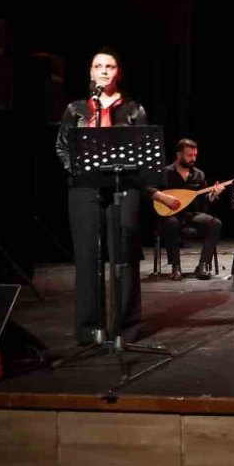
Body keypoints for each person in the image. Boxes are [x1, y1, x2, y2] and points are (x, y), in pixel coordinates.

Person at [55, 49, 178, 343]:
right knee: (87, 259)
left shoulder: (134, 110)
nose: (104, 71)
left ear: (119, 73)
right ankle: (90, 331)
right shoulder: (76, 109)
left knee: (123, 257)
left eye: (110, 66)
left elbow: (146, 154)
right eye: (98, 66)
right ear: (90, 73)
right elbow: (61, 146)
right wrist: (80, 170)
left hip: (125, 188)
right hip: (85, 189)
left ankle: (125, 329)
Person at [158, 139, 224, 281]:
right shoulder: (165, 172)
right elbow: (154, 194)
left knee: (215, 223)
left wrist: (213, 194)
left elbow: (204, 201)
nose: (193, 159)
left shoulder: (199, 175)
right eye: (189, 155)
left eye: (195, 155)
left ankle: (203, 265)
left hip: (191, 215)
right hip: (170, 216)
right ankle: (176, 267)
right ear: (179, 155)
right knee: (172, 222)